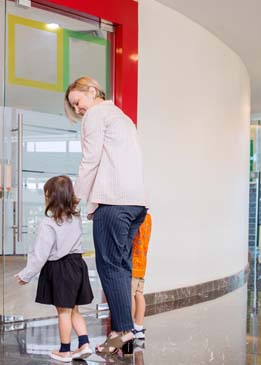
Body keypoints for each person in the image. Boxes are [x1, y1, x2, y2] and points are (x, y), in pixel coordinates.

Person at [64, 76, 147, 355]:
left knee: (110, 267)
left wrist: (75, 198)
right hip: (137, 204)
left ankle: (123, 330)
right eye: (73, 107)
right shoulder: (122, 117)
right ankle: (120, 331)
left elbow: (91, 159)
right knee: (122, 267)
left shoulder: (96, 115)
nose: (77, 110)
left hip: (113, 203)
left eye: (78, 102)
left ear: (91, 90)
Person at [15, 175, 94, 363]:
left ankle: (64, 351)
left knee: (63, 312)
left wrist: (26, 274)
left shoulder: (48, 223)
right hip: (77, 265)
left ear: (50, 197)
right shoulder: (75, 218)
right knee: (74, 309)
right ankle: (84, 344)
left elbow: (41, 253)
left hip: (60, 268)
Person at [131, 212, 152, 340]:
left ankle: (128, 327)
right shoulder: (149, 218)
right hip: (142, 261)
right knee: (139, 293)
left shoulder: (136, 218)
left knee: (130, 295)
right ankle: (138, 327)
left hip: (132, 261)